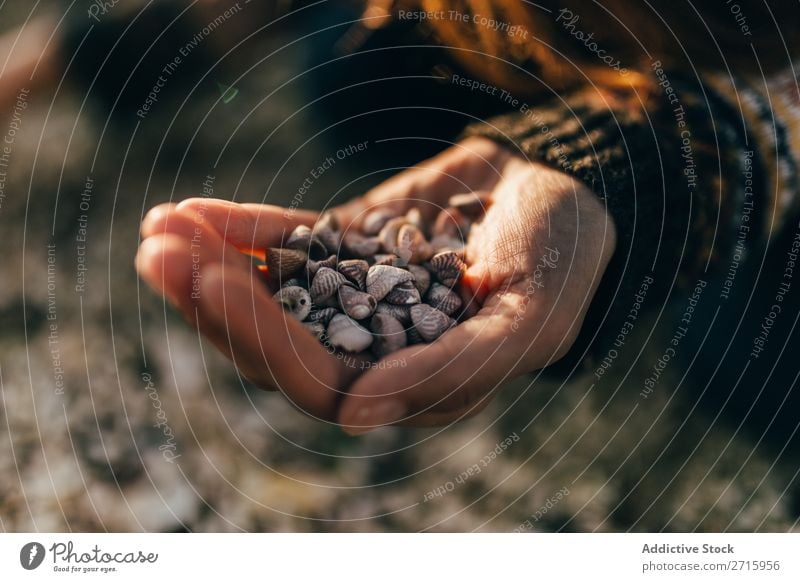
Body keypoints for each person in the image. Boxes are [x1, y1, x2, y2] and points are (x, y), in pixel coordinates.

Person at [61, 0, 797, 435]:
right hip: (521, 54)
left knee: (737, 363)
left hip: (760, 85)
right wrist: (73, 52)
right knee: (345, 70)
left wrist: (649, 162)